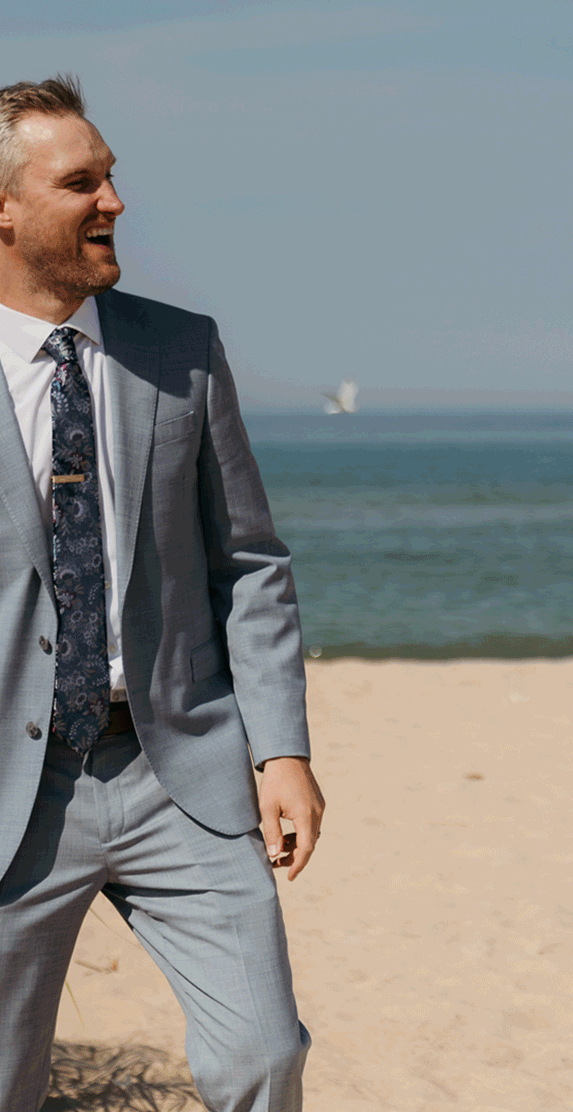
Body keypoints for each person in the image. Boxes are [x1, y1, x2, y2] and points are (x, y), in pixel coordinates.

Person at [0, 75, 322, 1110]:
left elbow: (250, 562)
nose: (113, 201)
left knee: (263, 1053)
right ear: (3, 209)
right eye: (81, 181)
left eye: (112, 177)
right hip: (13, 790)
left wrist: (281, 748)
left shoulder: (182, 352)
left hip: (176, 766)